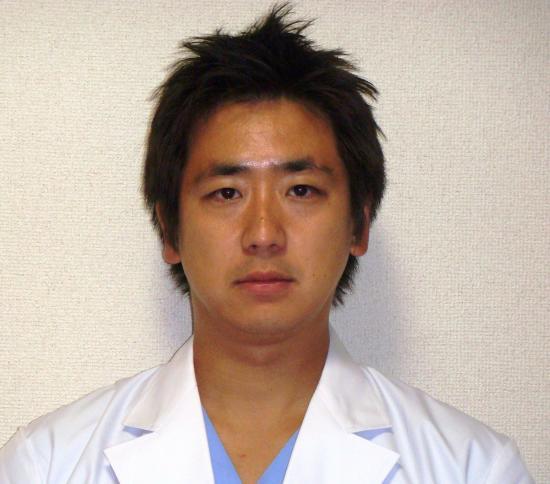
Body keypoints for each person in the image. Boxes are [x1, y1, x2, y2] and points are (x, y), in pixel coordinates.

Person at [0, 5, 533, 483]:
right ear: (169, 230)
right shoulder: (47, 464)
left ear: (359, 224)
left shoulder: (473, 468)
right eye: (226, 193)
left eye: (301, 190)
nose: (262, 235)